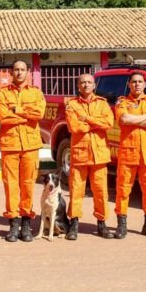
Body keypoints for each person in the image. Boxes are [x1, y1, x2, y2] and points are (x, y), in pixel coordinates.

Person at [0, 60, 46, 242]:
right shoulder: (2, 94)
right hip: (10, 145)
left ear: (28, 72)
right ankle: (13, 223)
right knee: (11, 185)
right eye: (16, 69)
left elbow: (39, 114)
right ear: (11, 72)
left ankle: (26, 223)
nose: (19, 73)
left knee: (28, 184)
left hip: (31, 146)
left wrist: (18, 110)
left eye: (22, 70)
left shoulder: (36, 93)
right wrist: (27, 116)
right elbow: (4, 118)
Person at [64, 73, 114, 240]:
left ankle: (102, 224)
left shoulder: (102, 103)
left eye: (89, 82)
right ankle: (74, 224)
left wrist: (87, 119)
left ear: (94, 85)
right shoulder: (71, 104)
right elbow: (74, 127)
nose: (86, 85)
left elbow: (108, 123)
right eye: (82, 82)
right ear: (78, 86)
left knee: (101, 191)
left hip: (99, 155)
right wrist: (95, 123)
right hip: (80, 154)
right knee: (76, 190)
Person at [114, 71, 146, 239]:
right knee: (123, 190)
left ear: (145, 84)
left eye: (140, 82)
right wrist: (145, 117)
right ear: (129, 84)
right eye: (134, 82)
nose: (137, 84)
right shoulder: (122, 102)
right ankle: (122, 225)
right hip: (128, 153)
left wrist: (136, 119)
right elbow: (124, 120)